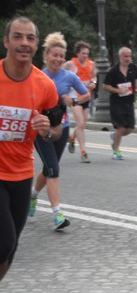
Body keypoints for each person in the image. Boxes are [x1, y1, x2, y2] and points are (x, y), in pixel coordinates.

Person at [0, 16, 64, 283]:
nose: (24, 43)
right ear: (6, 41)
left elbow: (56, 131)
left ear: (37, 45)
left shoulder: (45, 86)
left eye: (30, 38)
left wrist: (46, 129)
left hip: (22, 174)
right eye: (18, 36)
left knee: (9, 250)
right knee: (4, 241)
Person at [29, 32, 91, 229]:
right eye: (54, 55)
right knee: (54, 168)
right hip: (41, 130)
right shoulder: (37, 76)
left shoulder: (69, 77)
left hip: (62, 128)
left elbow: (86, 94)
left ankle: (32, 195)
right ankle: (57, 214)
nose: (57, 59)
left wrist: (73, 101)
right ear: (46, 55)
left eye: (60, 55)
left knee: (49, 168)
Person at [102, 46, 137, 160]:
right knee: (121, 127)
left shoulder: (133, 68)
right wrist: (118, 90)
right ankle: (116, 150)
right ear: (120, 57)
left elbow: (135, 81)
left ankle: (115, 137)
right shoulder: (114, 70)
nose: (128, 58)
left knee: (130, 129)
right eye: (125, 56)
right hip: (117, 102)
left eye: (130, 56)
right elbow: (105, 86)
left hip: (129, 101)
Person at [67, 41, 97, 163]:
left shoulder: (92, 64)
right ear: (77, 53)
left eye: (87, 54)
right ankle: (84, 153)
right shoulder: (71, 64)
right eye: (83, 53)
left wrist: (94, 83)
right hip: (75, 98)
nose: (85, 56)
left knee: (82, 124)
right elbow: (63, 75)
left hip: (86, 97)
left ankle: (72, 137)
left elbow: (94, 77)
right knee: (80, 123)